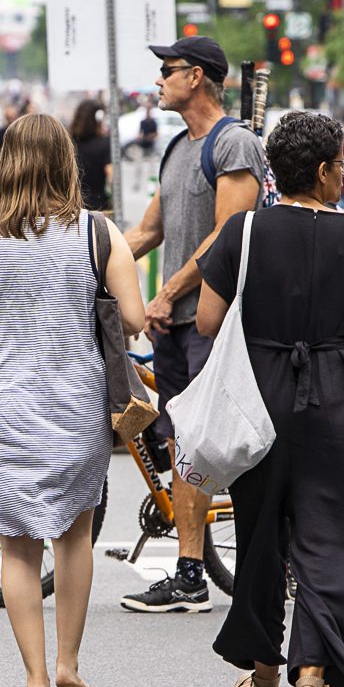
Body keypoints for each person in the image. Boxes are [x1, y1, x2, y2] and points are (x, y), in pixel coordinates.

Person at [196, 111, 344, 687]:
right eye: (339, 164)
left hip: (260, 393)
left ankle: (263, 677)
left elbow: (208, 322)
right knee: (335, 534)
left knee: (262, 532)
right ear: (320, 171)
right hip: (338, 394)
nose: (343, 174)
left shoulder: (244, 231)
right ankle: (312, 674)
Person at [0, 113, 145, 687]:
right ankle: (69, 666)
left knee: (16, 547)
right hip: (78, 404)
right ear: (67, 162)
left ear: (6, 162)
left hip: (4, 405)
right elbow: (134, 321)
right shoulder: (98, 234)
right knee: (75, 535)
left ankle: (33, 680)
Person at [120, 34, 266, 613]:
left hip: (216, 325)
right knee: (184, 445)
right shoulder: (179, 147)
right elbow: (147, 231)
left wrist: (166, 293)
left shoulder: (234, 146)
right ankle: (189, 572)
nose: (158, 80)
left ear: (198, 77)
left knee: (218, 446)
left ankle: (250, 558)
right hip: (177, 325)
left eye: (168, 70)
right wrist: (85, 265)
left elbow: (227, 237)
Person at [68, 99, 112, 213]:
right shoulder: (104, 143)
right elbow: (111, 176)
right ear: (98, 119)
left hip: (71, 206)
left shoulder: (68, 142)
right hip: (98, 207)